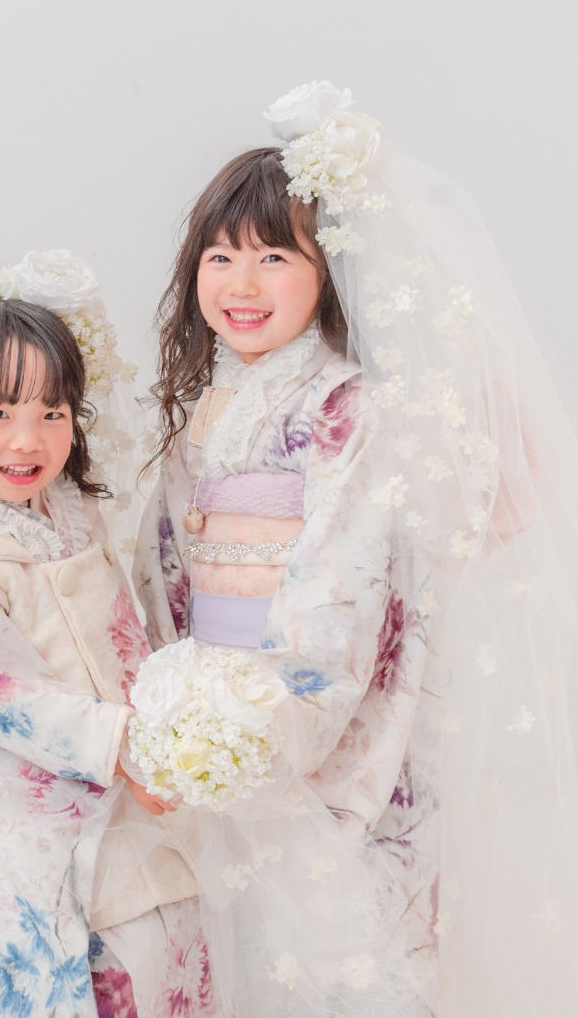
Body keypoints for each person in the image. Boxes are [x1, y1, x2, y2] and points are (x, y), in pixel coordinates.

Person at [131, 82, 578, 1015]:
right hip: (216, 719)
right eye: (220, 256)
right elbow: (166, 566)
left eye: (274, 258)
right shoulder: (207, 408)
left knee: (340, 965)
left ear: (330, 270)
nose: (240, 284)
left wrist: (263, 722)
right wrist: (173, 709)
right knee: (237, 959)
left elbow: (343, 585)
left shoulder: (348, 409)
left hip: (314, 721)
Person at [0, 253, 211, 1017]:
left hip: (122, 787)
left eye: (52, 413)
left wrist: (164, 726)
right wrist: (127, 745)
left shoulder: (68, 513)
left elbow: (119, 636)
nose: (28, 439)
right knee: (83, 971)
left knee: (170, 953)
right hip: (22, 812)